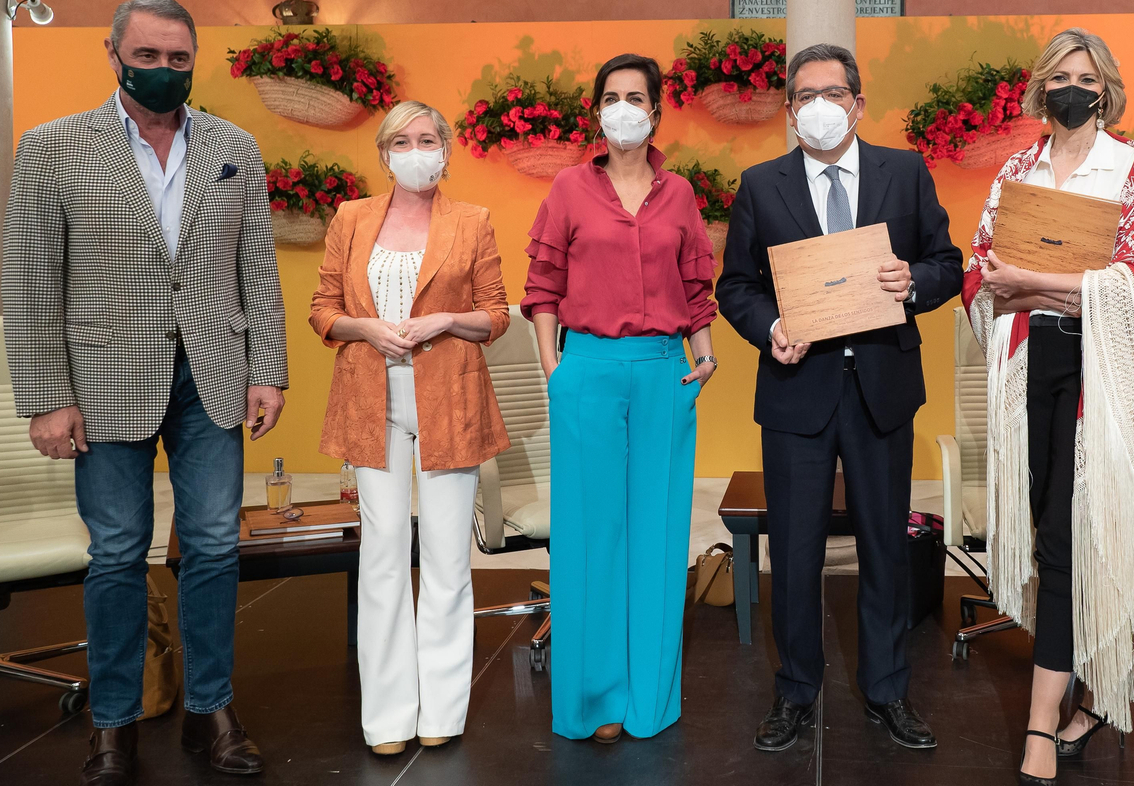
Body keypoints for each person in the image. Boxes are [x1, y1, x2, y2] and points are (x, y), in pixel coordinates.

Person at [2, 0, 288, 786]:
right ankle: (114, 723)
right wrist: (45, 396)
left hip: (214, 374)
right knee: (119, 553)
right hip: (101, 381)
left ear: (195, 60)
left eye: (179, 59)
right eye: (149, 56)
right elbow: (29, 283)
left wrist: (268, 367)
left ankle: (212, 710)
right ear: (114, 52)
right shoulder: (53, 148)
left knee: (213, 548)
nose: (163, 71)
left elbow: (255, 270)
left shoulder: (234, 146)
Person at [716, 42, 963, 754]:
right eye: (804, 96)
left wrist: (910, 282)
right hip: (798, 388)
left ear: (858, 103)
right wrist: (770, 329)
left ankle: (887, 690)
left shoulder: (906, 171)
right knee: (792, 551)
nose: (818, 107)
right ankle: (795, 689)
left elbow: (947, 265)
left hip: (882, 386)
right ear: (790, 111)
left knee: (885, 546)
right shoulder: (762, 185)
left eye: (833, 93)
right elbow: (736, 287)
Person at [962, 29, 1134, 784]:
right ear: (1041, 88)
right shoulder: (1019, 168)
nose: (1074, 88)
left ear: (1105, 89)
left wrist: (1044, 284)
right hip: (1031, 365)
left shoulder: (1131, 166)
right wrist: (1064, 281)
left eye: (1087, 77)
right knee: (1053, 538)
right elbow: (984, 276)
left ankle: (1041, 724)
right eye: (1060, 77)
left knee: (1070, 538)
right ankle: (1087, 692)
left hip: (1096, 369)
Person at [521, 53, 719, 744]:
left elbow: (696, 287)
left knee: (660, 537)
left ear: (657, 112)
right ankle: (592, 698)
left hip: (666, 372)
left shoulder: (681, 194)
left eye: (637, 96)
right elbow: (542, 285)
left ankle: (648, 699)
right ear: (598, 112)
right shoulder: (570, 188)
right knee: (587, 536)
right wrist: (554, 367)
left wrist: (705, 353)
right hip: (589, 372)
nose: (624, 107)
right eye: (612, 96)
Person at [308, 101, 511, 755]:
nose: (416, 149)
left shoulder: (472, 221)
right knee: (384, 556)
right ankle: (388, 717)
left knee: (449, 560)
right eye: (403, 140)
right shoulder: (351, 217)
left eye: (428, 139)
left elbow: (496, 315)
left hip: (450, 398)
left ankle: (441, 712)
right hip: (372, 399)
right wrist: (364, 328)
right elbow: (323, 311)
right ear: (384, 152)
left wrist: (444, 321)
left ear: (446, 150)